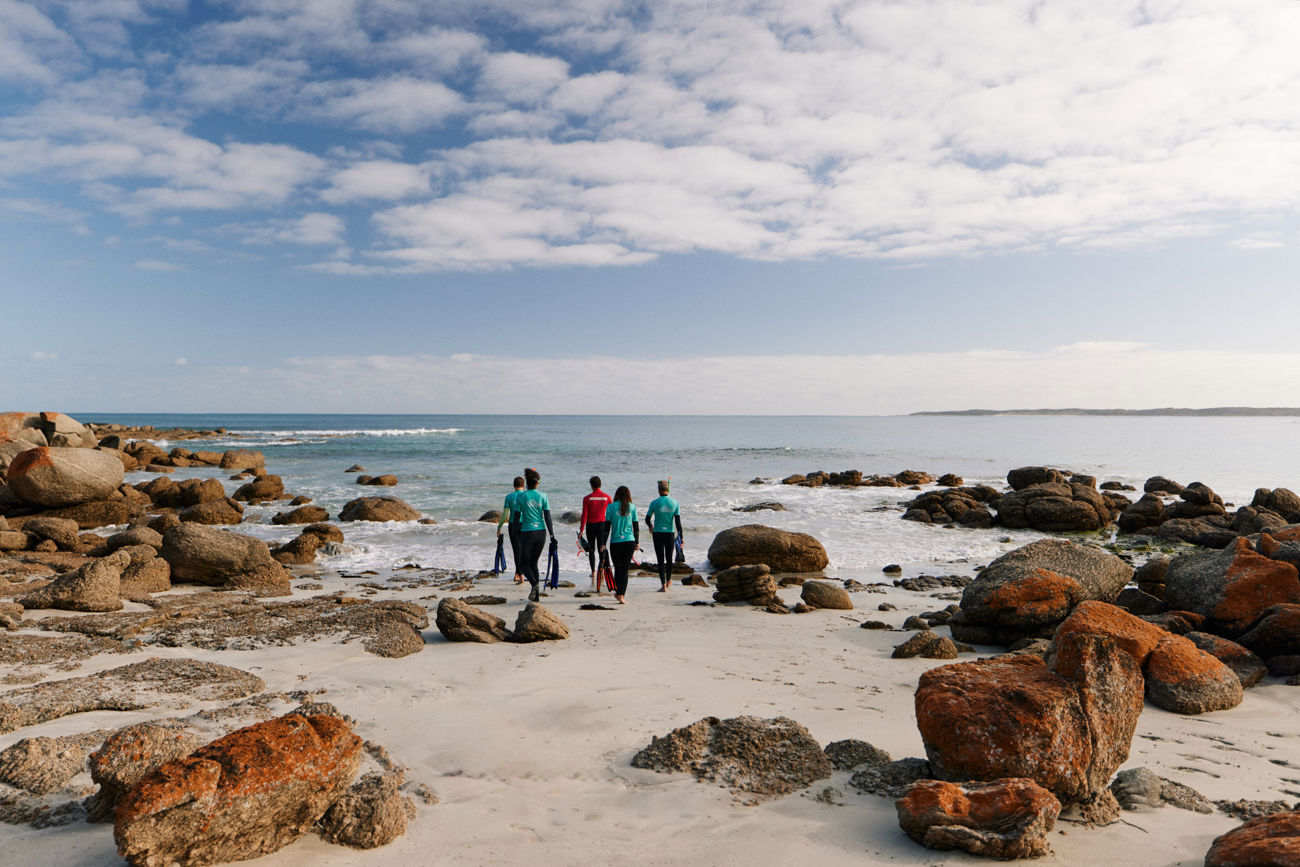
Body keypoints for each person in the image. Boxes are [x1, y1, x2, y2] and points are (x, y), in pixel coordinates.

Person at [514, 467, 555, 602]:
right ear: (537, 483)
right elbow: (547, 517)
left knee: (523, 563)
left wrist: (515, 532)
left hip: (527, 532)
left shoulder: (521, 496)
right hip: (541, 532)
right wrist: (552, 535)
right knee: (533, 563)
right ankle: (536, 597)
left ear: (527, 483)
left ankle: (534, 584)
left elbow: (516, 517)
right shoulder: (543, 496)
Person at [645, 479, 682, 592]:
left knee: (660, 559)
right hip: (670, 533)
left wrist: (650, 526)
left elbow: (647, 519)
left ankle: (663, 585)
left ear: (659, 490)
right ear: (668, 490)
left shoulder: (654, 503)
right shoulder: (675, 503)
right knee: (669, 558)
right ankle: (669, 580)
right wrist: (681, 538)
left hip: (658, 533)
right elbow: (678, 523)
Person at [605, 485, 639, 604]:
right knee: (624, 569)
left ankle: (618, 593)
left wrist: (603, 544)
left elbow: (606, 527)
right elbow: (636, 527)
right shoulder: (633, 507)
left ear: (617, 495)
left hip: (615, 542)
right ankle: (621, 595)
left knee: (618, 568)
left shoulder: (610, 507)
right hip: (629, 541)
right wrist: (637, 542)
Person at [578, 475, 612, 584]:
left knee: (591, 549)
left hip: (591, 525)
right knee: (601, 548)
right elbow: (613, 511)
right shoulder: (607, 497)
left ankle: (593, 572)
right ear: (600, 485)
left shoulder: (587, 498)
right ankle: (601, 571)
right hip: (603, 525)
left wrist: (581, 529)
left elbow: (584, 515)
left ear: (591, 485)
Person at [496, 476, 526, 584]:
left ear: (514, 486)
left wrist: (499, 527)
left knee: (516, 550)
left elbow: (505, 515)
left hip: (513, 525)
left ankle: (518, 574)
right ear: (523, 485)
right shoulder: (526, 496)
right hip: (526, 525)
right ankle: (521, 573)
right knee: (524, 550)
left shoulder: (509, 497)